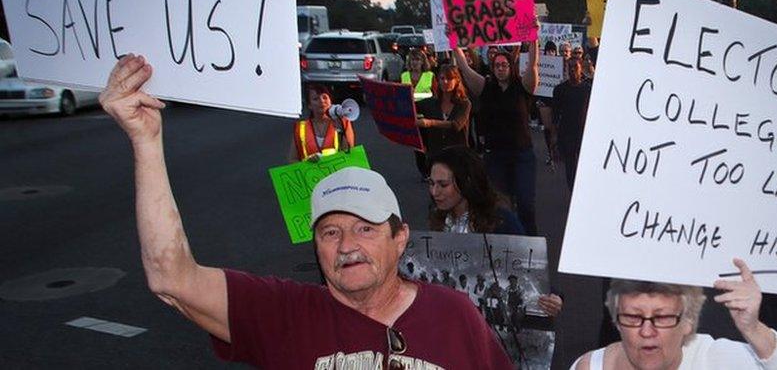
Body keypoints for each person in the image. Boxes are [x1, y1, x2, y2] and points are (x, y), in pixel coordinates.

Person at [99, 54, 514, 369]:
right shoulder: (285, 314)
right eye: (330, 232)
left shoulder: (456, 315)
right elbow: (172, 277)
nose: (347, 245)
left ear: (400, 237)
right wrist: (146, 142)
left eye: (365, 228)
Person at [570, 259, 777, 370]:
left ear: (688, 322)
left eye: (663, 317)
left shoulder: (716, 360)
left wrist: (754, 330)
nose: (647, 332)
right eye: (634, 317)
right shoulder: (590, 366)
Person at [425, 146, 563, 318]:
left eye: (443, 185)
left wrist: (553, 298)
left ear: (466, 182)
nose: (434, 192)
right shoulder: (438, 218)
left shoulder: (501, 220)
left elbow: (527, 267)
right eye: (431, 183)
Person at [454, 41, 540, 234]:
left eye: (504, 65)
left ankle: (531, 245)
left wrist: (534, 38)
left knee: (525, 204)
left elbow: (533, 63)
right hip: (495, 157)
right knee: (501, 207)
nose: (501, 68)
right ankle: (507, 246)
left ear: (511, 67)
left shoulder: (522, 87)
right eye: (497, 65)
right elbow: (465, 68)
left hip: (522, 156)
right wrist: (453, 44)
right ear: (492, 68)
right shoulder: (486, 87)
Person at [416, 63, 472, 168]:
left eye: (450, 78)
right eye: (442, 78)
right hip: (436, 156)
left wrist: (430, 123)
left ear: (457, 81)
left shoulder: (464, 103)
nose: (445, 82)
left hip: (458, 155)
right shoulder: (430, 103)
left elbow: (456, 125)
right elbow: (410, 106)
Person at [551, 57, 593, 190]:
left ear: (581, 69)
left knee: (584, 165)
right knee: (570, 165)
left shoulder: (588, 89)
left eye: (575, 67)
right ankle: (573, 192)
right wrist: (554, 138)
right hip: (567, 133)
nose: (572, 70)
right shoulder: (559, 90)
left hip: (584, 133)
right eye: (569, 67)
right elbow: (555, 115)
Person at [289, 84, 355, 162]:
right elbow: (292, 159)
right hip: (311, 173)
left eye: (325, 97)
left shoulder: (343, 122)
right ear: (309, 105)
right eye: (316, 99)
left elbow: (349, 152)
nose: (321, 101)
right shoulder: (301, 128)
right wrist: (307, 162)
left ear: (330, 101)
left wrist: (341, 130)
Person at [402, 48, 435, 178]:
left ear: (423, 61)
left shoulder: (430, 75)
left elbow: (436, 94)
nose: (415, 62)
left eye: (418, 59)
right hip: (412, 115)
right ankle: (423, 171)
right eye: (413, 60)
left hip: (428, 115)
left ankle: (431, 168)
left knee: (430, 144)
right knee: (418, 146)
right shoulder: (404, 76)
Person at [536, 41, 560, 166]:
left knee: (556, 128)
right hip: (545, 101)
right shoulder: (541, 64)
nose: (550, 53)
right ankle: (550, 153)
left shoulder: (560, 64)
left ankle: (556, 152)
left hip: (557, 101)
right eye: (548, 51)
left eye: (553, 51)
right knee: (548, 129)